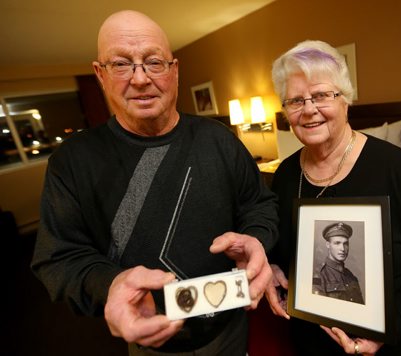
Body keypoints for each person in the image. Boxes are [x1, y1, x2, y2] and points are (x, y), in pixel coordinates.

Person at [31, 10, 279, 356]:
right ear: (100, 74)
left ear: (174, 70)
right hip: (150, 341)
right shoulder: (71, 161)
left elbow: (259, 204)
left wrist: (256, 237)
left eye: (153, 62)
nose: (141, 78)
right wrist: (112, 283)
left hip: (230, 327)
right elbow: (58, 258)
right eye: (121, 64)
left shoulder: (218, 139)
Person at [265, 40, 401, 355]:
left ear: (346, 99)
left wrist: (387, 327)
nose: (309, 109)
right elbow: (285, 252)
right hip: (308, 341)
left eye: (322, 95)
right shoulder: (283, 174)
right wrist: (273, 267)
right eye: (295, 100)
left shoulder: (398, 169)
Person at [313, 222, 364, 304]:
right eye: (337, 243)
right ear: (328, 245)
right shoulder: (318, 275)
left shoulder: (351, 277)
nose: (343, 249)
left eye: (345, 244)